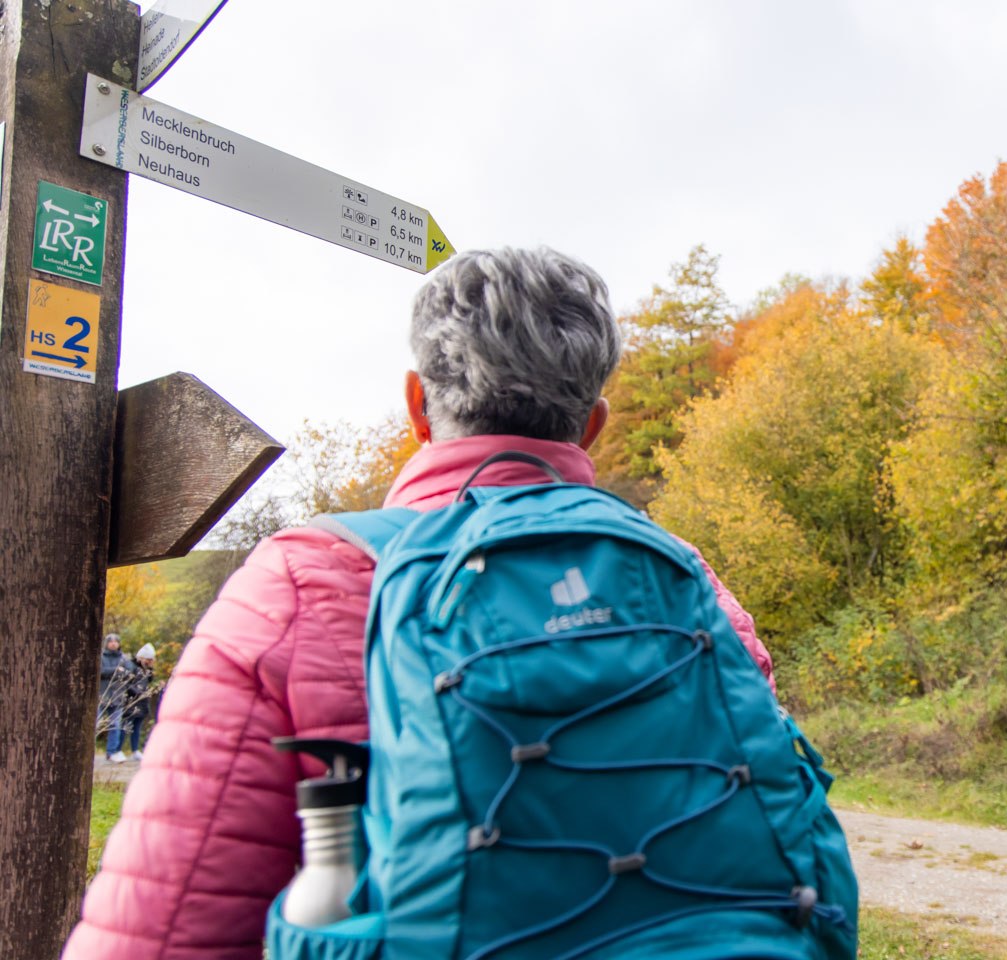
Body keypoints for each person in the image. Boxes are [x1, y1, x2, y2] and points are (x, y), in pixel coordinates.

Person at [64, 247, 778, 960]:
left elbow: (163, 925)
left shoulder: (305, 579)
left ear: (416, 406)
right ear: (593, 424)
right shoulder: (687, 578)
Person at [97, 633, 136, 763]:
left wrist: (115, 671)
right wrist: (116, 670)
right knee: (95, 724)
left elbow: (129, 673)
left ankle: (112, 752)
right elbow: (100, 671)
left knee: (115, 725)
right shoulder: (100, 657)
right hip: (102, 696)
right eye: (110, 641)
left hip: (117, 697)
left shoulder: (124, 658)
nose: (113, 643)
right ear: (106, 643)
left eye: (115, 641)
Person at [122, 643, 157, 760]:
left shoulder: (145, 669)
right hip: (131, 702)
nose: (149, 662)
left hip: (141, 703)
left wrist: (150, 669)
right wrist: (138, 693)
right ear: (141, 658)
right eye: (148, 660)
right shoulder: (130, 666)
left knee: (137, 727)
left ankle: (135, 750)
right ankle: (115, 750)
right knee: (125, 727)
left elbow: (149, 680)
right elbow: (126, 684)